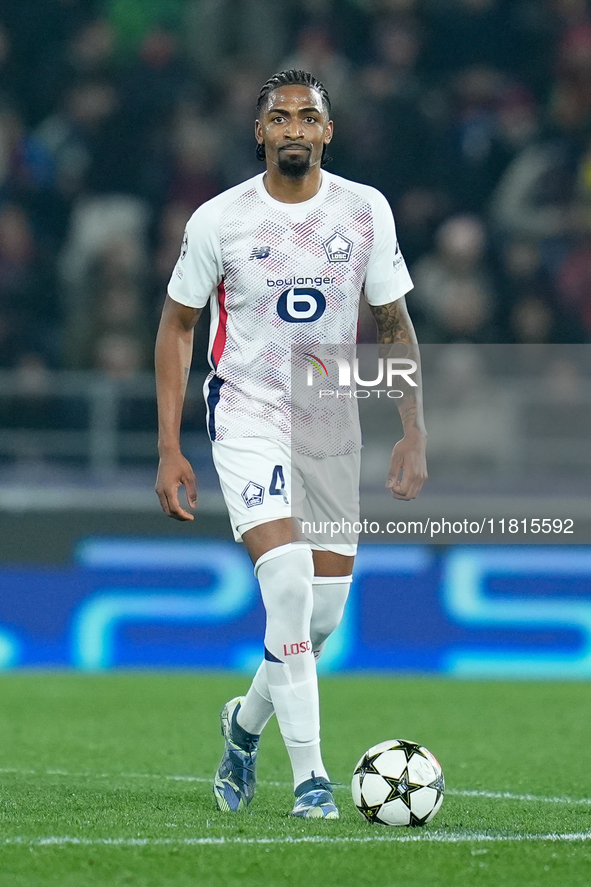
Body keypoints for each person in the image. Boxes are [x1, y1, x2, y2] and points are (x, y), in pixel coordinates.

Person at [154, 69, 427, 820]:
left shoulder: (365, 210)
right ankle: (311, 781)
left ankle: (241, 729)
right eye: (281, 117)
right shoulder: (219, 220)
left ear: (327, 132)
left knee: (318, 618)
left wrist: (412, 427)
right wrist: (168, 447)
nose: (295, 128)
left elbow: (392, 322)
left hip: (332, 422)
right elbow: (177, 326)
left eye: (309, 117)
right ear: (260, 132)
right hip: (247, 415)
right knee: (285, 582)